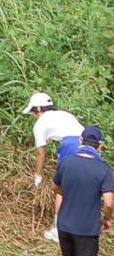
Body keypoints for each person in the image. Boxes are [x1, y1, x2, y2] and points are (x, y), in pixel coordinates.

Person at [53, 126, 113, 256]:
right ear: (100, 146)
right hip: (86, 229)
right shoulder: (103, 169)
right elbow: (109, 202)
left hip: (64, 225)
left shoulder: (66, 163)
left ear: (81, 142)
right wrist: (106, 219)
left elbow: (55, 187)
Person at [22, 92, 85, 242]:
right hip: (87, 144)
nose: (33, 116)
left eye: (32, 112)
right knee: (80, 186)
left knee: (61, 189)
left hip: (70, 145)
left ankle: (58, 230)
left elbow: (40, 154)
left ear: (38, 109)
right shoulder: (63, 114)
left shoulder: (40, 124)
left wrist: (38, 176)